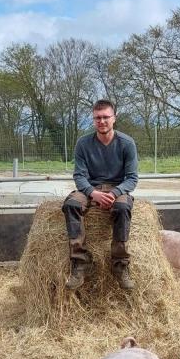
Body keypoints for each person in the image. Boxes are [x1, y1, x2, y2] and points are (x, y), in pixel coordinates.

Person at [61, 99, 138, 291]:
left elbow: (132, 178)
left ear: (114, 118)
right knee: (71, 204)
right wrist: (93, 193)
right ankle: (80, 262)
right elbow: (79, 175)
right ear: (93, 120)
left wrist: (114, 193)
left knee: (122, 207)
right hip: (90, 187)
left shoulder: (127, 143)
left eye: (106, 117)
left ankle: (120, 265)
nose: (102, 121)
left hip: (117, 187)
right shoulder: (83, 143)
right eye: (97, 118)